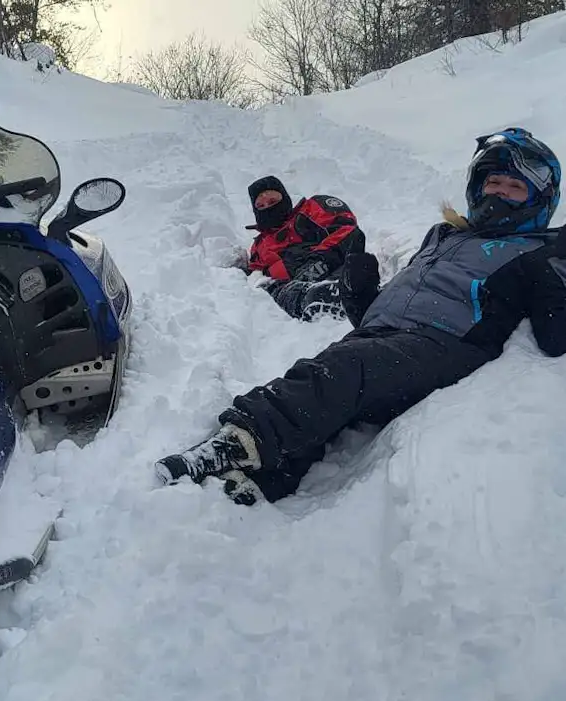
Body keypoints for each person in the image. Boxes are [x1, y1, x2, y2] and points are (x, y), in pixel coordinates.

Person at [156, 128, 564, 505]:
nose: (500, 194)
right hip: (390, 332)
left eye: (515, 187)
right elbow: (413, 297)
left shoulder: (540, 251)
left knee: (342, 370)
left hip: (449, 342)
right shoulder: (445, 235)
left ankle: (241, 439)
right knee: (324, 379)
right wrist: (364, 297)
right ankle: (266, 480)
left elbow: (556, 334)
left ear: (539, 199)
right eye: (494, 182)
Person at [235, 175, 366, 321]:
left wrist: (318, 262)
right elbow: (255, 280)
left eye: (273, 201)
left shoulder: (311, 209)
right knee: (271, 288)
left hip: (336, 269)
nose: (268, 208)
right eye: (261, 206)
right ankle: (315, 302)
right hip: (295, 291)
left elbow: (349, 232)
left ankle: (343, 293)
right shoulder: (259, 245)